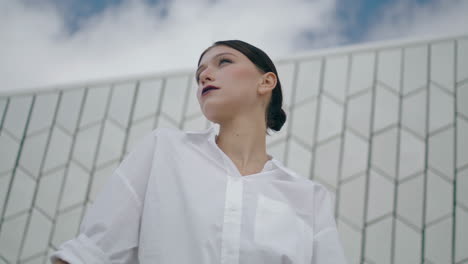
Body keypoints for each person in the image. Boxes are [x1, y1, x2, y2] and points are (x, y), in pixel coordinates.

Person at [50, 40, 347, 264]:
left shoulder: (309, 198)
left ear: (266, 82)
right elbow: (90, 254)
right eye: (200, 73)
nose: (205, 75)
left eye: (224, 62)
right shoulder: (163, 151)